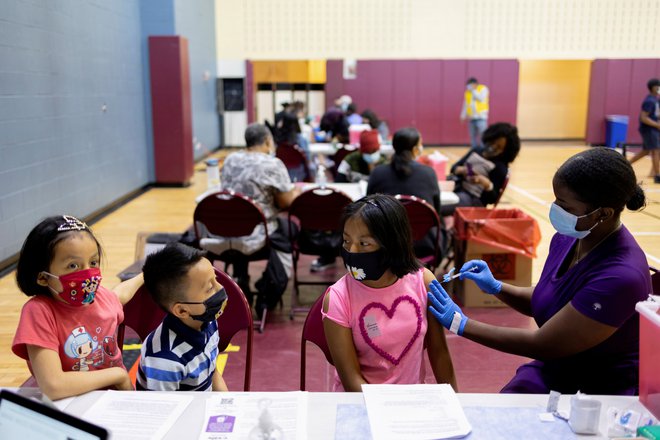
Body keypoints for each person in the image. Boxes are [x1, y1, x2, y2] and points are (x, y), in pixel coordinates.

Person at [428, 147, 651, 395]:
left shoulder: (621, 276)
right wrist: (497, 287)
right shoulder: (568, 238)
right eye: (556, 199)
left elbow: (543, 344)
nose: (556, 209)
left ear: (604, 213)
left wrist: (461, 324)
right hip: (560, 368)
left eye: (565, 205)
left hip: (601, 388)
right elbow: (549, 301)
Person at [322, 194, 457, 392]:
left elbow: (439, 353)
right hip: (362, 404)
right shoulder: (338, 298)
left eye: (364, 243)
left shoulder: (424, 282)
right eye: (346, 241)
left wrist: (456, 403)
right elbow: (351, 380)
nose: (352, 251)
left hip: (412, 401)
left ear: (391, 244)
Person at [12, 215, 143, 400]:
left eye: (93, 262)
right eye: (73, 265)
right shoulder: (39, 312)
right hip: (70, 405)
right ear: (43, 277)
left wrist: (147, 273)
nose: (88, 273)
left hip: (114, 401)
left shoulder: (101, 298)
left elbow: (120, 294)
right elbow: (53, 386)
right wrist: (118, 375)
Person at [201, 123, 301, 313]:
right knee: (287, 232)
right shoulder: (272, 163)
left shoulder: (230, 160)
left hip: (224, 229)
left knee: (241, 220)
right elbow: (286, 201)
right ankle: (268, 293)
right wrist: (295, 190)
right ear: (267, 141)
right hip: (257, 233)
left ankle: (241, 281)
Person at [137, 243, 228, 391]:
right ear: (182, 311)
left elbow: (213, 372)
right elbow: (163, 411)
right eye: (210, 288)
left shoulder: (208, 321)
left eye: (215, 279)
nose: (220, 288)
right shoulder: (164, 360)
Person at [448, 122, 520, 210]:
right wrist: (462, 170)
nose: (493, 147)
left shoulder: (500, 168)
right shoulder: (476, 150)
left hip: (473, 200)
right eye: (493, 142)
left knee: (442, 203)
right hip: (456, 188)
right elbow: (453, 168)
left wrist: (487, 185)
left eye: (498, 147)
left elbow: (492, 199)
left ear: (505, 151)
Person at [367, 127, 440, 213]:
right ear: (415, 149)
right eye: (420, 144)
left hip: (387, 225)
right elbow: (436, 209)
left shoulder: (377, 172)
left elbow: (368, 205)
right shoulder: (429, 172)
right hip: (421, 225)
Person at [628, 78, 660, 182]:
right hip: (649, 129)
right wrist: (657, 125)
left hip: (653, 129)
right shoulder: (649, 101)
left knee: (646, 151)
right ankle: (657, 176)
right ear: (653, 88)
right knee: (656, 150)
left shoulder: (656, 100)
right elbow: (643, 117)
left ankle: (625, 165)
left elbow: (656, 115)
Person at [460, 77, 489, 149]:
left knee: (483, 135)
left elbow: (480, 98)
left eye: (470, 85)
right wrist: (463, 115)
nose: (468, 87)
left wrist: (473, 90)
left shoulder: (483, 89)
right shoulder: (467, 92)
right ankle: (474, 149)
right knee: (472, 136)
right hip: (471, 118)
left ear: (475, 84)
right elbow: (466, 104)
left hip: (481, 117)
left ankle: (483, 150)